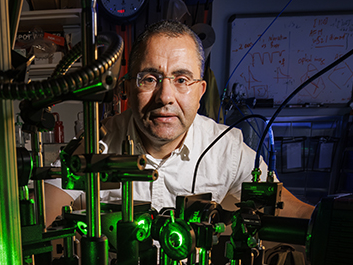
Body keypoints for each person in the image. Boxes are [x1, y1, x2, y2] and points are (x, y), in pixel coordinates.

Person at [44, 20, 313, 224]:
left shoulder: (227, 149)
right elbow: (41, 213)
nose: (165, 97)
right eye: (150, 79)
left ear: (200, 91)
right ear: (127, 87)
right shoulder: (95, 145)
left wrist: (336, 223)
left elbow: (286, 208)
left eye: (182, 80)